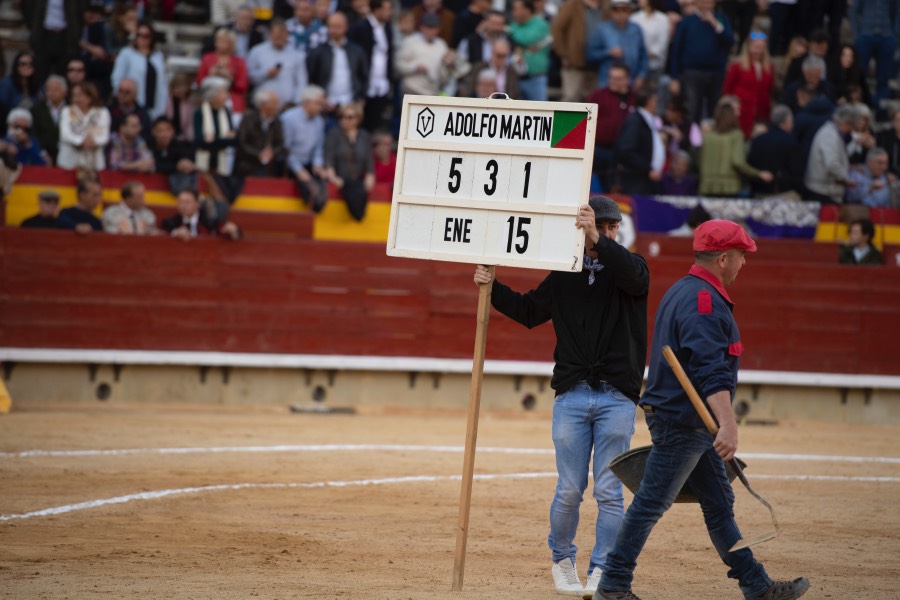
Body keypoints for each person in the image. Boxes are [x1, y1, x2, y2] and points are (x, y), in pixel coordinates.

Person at [595, 220, 810, 600]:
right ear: (723, 259)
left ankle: (756, 585)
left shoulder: (684, 290)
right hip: (685, 422)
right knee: (650, 504)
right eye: (742, 255)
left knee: (718, 503)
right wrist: (727, 424)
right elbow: (710, 370)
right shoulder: (704, 300)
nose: (744, 262)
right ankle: (612, 586)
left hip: (689, 420)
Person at [473, 196, 649, 599]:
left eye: (612, 227)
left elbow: (633, 278)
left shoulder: (632, 268)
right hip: (572, 394)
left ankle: (604, 569)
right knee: (570, 489)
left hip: (617, 397)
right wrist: (491, 286)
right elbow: (529, 311)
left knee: (609, 491)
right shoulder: (565, 273)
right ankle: (563, 560)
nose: (608, 233)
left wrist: (597, 240)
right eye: (602, 227)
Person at [668, 0, 733, 126]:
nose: (706, 4)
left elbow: (729, 41)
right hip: (693, 72)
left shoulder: (721, 19)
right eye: (703, 1)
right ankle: (691, 136)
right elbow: (676, 50)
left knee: (715, 110)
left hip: (716, 71)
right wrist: (674, 77)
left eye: (709, 2)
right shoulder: (687, 21)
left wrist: (715, 24)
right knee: (692, 109)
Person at [698, 99, 772, 197]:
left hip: (707, 186)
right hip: (729, 187)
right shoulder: (736, 135)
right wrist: (758, 173)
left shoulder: (708, 136)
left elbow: (700, 160)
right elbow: (738, 162)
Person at [307, 11, 370, 115]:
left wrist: (360, 100)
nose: (334, 30)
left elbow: (363, 76)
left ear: (346, 27)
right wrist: (322, 99)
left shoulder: (356, 51)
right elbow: (312, 79)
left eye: (338, 27)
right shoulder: (318, 52)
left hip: (350, 103)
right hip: (326, 105)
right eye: (332, 26)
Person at [586, 63, 635, 192]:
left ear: (627, 79)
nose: (613, 81)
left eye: (618, 78)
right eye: (611, 77)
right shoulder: (598, 95)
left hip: (621, 152)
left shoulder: (634, 98)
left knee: (613, 187)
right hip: (597, 148)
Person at [281, 85, 329, 212]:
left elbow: (319, 147)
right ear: (306, 102)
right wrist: (298, 170)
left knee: (322, 188)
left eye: (322, 104)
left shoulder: (319, 121)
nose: (321, 107)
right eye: (318, 103)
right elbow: (285, 149)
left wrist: (317, 163)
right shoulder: (289, 118)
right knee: (308, 190)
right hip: (290, 164)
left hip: (309, 164)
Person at [348, 0, 394, 132]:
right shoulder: (360, 28)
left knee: (378, 121)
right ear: (377, 10)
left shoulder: (387, 28)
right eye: (387, 9)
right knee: (362, 121)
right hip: (364, 83)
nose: (390, 13)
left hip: (382, 82)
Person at [323, 103, 374, 221]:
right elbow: (328, 159)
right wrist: (334, 178)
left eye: (349, 117)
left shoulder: (364, 136)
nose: (344, 120)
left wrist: (370, 175)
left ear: (358, 119)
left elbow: (368, 159)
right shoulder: (334, 134)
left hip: (358, 180)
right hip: (341, 179)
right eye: (342, 117)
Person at [110, 20, 169, 121]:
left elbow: (163, 82)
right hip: (133, 105)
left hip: (155, 105)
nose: (142, 39)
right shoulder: (126, 54)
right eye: (139, 35)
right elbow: (116, 79)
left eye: (146, 36)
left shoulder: (158, 56)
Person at [849, 0, 899, 115]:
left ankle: (881, 111)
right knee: (859, 74)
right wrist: (856, 34)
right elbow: (853, 11)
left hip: (887, 36)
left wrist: (895, 33)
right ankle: (859, 109)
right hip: (865, 35)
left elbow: (897, 11)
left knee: (884, 78)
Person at [587, 0, 648, 90]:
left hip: (631, 82)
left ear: (630, 12)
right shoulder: (602, 29)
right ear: (611, 12)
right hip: (607, 83)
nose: (620, 14)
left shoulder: (636, 29)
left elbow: (643, 54)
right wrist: (608, 53)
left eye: (624, 10)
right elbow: (590, 54)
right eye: (616, 10)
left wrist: (642, 75)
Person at [723, 32, 774, 139]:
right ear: (748, 47)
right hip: (742, 112)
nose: (758, 51)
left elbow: (769, 90)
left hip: (761, 112)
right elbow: (727, 91)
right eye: (755, 47)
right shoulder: (737, 66)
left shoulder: (769, 67)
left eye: (761, 47)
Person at [804, 104, 859, 204]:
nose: (850, 130)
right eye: (851, 126)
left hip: (825, 189)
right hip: (822, 191)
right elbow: (832, 164)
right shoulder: (829, 135)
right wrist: (846, 179)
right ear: (846, 122)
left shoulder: (833, 133)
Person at [247, 18, 306, 111]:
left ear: (287, 35)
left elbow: (301, 82)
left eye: (282, 36)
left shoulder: (296, 55)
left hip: (287, 108)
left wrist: (295, 103)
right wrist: (266, 73)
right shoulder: (257, 52)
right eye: (277, 37)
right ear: (270, 34)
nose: (279, 40)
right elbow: (249, 77)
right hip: (262, 107)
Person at [746, 104, 804, 198]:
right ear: (786, 120)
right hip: (785, 193)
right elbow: (797, 170)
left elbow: (751, 165)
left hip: (760, 193)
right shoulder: (791, 142)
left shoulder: (758, 141)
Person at [616, 85, 665, 195]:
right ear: (649, 101)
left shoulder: (647, 120)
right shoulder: (635, 121)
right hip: (635, 182)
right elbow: (626, 151)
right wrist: (647, 169)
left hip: (646, 182)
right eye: (655, 100)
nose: (656, 103)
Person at [22, 0, 86, 84]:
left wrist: (75, 34)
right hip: (44, 35)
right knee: (40, 71)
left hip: (65, 36)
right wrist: (34, 28)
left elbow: (81, 12)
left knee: (63, 72)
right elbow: (28, 8)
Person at [551, 0, 603, 102]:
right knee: (570, 98)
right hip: (574, 62)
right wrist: (563, 55)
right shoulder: (572, 5)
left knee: (594, 101)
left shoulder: (605, 6)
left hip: (597, 63)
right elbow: (557, 29)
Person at [395, 13, 458, 96]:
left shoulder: (441, 44)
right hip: (411, 90)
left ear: (438, 29)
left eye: (434, 28)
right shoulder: (410, 42)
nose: (431, 31)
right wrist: (415, 67)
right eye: (428, 28)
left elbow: (445, 76)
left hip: (432, 92)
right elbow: (398, 65)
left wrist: (448, 64)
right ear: (421, 28)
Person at [196, 28, 250, 120]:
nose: (221, 45)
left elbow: (243, 85)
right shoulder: (207, 58)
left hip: (233, 103)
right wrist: (210, 75)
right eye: (219, 41)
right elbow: (199, 82)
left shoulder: (239, 62)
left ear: (231, 44)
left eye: (225, 42)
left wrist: (230, 78)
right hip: (210, 103)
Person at [57, 82, 111, 171]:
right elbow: (65, 134)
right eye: (74, 95)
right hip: (69, 163)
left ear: (90, 96)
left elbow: (104, 136)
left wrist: (92, 142)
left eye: (80, 95)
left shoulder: (102, 112)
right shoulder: (66, 111)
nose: (76, 99)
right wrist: (81, 141)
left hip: (94, 163)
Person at [233, 89, 286, 178]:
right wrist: (258, 153)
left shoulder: (277, 122)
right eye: (275, 103)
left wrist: (272, 152)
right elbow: (242, 142)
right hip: (247, 165)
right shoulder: (248, 119)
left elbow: (280, 143)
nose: (278, 106)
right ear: (263, 105)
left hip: (269, 167)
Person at [508, 0, 551, 102]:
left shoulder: (541, 24)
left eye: (516, 9)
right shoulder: (514, 25)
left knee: (539, 109)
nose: (513, 13)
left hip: (536, 77)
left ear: (527, 10)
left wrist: (510, 31)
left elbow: (527, 39)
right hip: (514, 78)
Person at [162, 188, 241, 240]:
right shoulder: (170, 223)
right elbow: (162, 236)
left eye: (187, 202)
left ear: (197, 204)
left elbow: (231, 233)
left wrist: (234, 231)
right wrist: (175, 233)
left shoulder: (209, 222)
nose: (183, 206)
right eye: (180, 202)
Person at [149, 116, 197, 194]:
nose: (164, 134)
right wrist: (176, 166)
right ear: (153, 132)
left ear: (173, 131)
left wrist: (187, 165)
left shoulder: (179, 146)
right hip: (152, 187)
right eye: (160, 131)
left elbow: (186, 163)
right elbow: (154, 165)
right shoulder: (148, 146)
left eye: (167, 130)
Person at [0, 52, 42, 137]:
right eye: (23, 64)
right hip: (9, 128)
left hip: (32, 129)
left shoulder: (38, 86)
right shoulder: (6, 84)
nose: (27, 66)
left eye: (30, 64)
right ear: (17, 67)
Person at [630, 0, 670, 87]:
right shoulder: (634, 18)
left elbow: (663, 42)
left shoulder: (662, 19)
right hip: (637, 65)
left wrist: (650, 53)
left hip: (654, 64)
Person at [31, 75, 68, 165]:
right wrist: (42, 152)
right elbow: (34, 133)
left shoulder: (71, 109)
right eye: (49, 90)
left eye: (56, 90)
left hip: (66, 153)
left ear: (65, 92)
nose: (52, 93)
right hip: (43, 153)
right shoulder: (37, 109)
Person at [876, 108, 900, 179]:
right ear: (893, 122)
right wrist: (886, 173)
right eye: (898, 120)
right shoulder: (884, 137)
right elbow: (880, 157)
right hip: (888, 173)